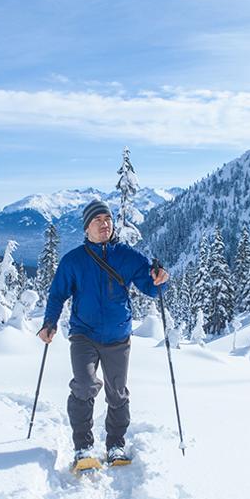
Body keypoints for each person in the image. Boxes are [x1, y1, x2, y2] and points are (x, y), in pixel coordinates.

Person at [38, 200, 169, 470]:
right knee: (84, 386)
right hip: (84, 335)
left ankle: (116, 445)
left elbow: (151, 288)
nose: (104, 223)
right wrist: (49, 322)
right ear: (87, 228)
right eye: (97, 220)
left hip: (118, 336)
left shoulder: (128, 256)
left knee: (117, 392)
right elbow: (57, 294)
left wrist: (159, 279)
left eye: (107, 219)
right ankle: (83, 447)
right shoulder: (73, 260)